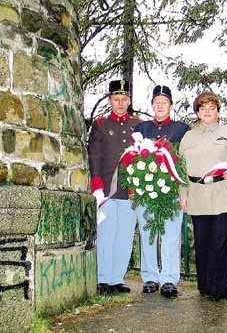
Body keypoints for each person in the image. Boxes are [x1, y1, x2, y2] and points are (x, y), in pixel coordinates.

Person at [179, 92, 227, 302]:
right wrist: (183, 194)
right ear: (197, 111)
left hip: (223, 193)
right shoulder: (188, 137)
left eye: (212, 108)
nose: (207, 112)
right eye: (203, 108)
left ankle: (220, 289)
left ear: (218, 111)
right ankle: (205, 286)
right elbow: (181, 168)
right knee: (202, 242)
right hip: (197, 194)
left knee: (221, 242)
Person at [134, 85, 190, 298]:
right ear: (152, 105)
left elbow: (184, 161)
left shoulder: (181, 129)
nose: (160, 105)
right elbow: (133, 158)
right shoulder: (142, 128)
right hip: (145, 190)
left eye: (164, 102)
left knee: (170, 235)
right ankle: (149, 276)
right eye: (156, 102)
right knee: (148, 234)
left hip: (172, 191)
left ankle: (169, 279)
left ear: (171, 105)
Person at [88, 79, 142, 295]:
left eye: (124, 99)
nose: (120, 103)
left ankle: (117, 278)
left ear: (129, 101)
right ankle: (103, 278)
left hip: (130, 190)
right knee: (106, 234)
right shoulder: (101, 125)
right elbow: (94, 156)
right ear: (110, 100)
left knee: (125, 236)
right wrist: (97, 186)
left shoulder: (137, 125)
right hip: (107, 192)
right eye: (116, 99)